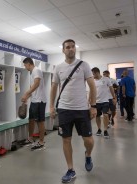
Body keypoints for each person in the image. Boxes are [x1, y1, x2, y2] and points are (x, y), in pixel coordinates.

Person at [50, 39, 97, 183]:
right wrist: (51, 106)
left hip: (82, 109)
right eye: (67, 47)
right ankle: (71, 170)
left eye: (73, 47)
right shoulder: (58, 68)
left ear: (75, 49)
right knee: (66, 139)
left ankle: (88, 154)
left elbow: (92, 85)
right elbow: (53, 88)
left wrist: (93, 105)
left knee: (88, 140)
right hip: (64, 109)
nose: (71, 49)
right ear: (63, 50)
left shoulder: (84, 65)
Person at [21, 57, 47, 151]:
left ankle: (41, 142)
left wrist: (26, 93)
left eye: (25, 65)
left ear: (29, 64)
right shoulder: (33, 72)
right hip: (34, 100)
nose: (25, 67)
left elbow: (36, 84)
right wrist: (27, 97)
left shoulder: (36, 70)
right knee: (31, 119)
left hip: (40, 100)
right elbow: (33, 87)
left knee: (40, 121)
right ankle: (30, 138)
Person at [92, 67, 116, 138]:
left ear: (97, 73)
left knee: (105, 115)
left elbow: (111, 88)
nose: (93, 75)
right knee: (97, 116)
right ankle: (99, 129)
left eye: (93, 74)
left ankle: (105, 130)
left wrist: (114, 97)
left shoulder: (106, 79)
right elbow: (91, 91)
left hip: (105, 100)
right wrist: (90, 100)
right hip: (96, 101)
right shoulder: (93, 81)